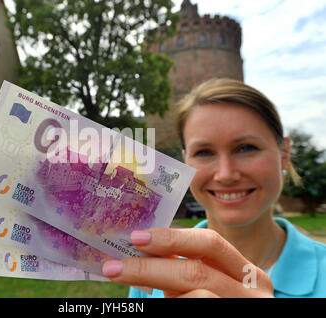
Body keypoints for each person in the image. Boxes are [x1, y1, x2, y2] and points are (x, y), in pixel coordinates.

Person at [101, 78, 326, 298]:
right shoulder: (153, 271)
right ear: (185, 161)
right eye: (204, 152)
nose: (225, 174)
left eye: (246, 148)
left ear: (284, 154)